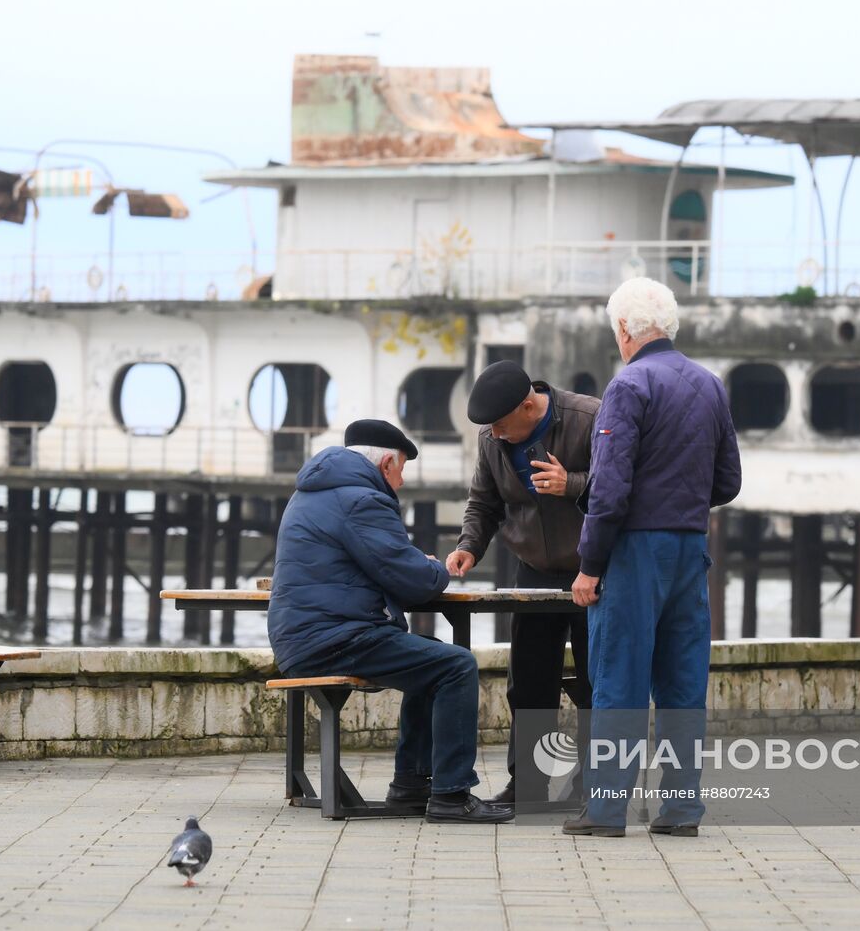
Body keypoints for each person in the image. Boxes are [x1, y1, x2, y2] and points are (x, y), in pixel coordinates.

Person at [564, 278, 742, 838]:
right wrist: (680, 502)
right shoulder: (710, 385)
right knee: (683, 683)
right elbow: (729, 481)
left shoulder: (629, 385)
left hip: (635, 550)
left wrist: (590, 565)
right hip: (691, 548)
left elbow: (608, 489)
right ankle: (682, 812)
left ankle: (607, 812)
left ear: (624, 329)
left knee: (618, 678)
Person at [268, 418, 513, 825]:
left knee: (430, 663)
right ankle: (452, 795)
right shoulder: (362, 499)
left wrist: (411, 567)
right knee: (456, 665)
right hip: (334, 638)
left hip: (306, 635)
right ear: (385, 464)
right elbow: (413, 580)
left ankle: (411, 787)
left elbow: (381, 563)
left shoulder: (311, 492)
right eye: (401, 470)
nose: (400, 482)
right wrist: (435, 568)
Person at [446, 361, 599, 805]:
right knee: (529, 680)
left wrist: (569, 483)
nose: (494, 433)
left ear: (530, 406)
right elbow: (484, 502)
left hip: (592, 568)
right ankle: (527, 785)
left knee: (597, 680)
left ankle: (592, 786)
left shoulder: (591, 418)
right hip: (532, 569)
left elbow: (622, 485)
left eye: (500, 424)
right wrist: (469, 546)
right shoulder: (491, 438)